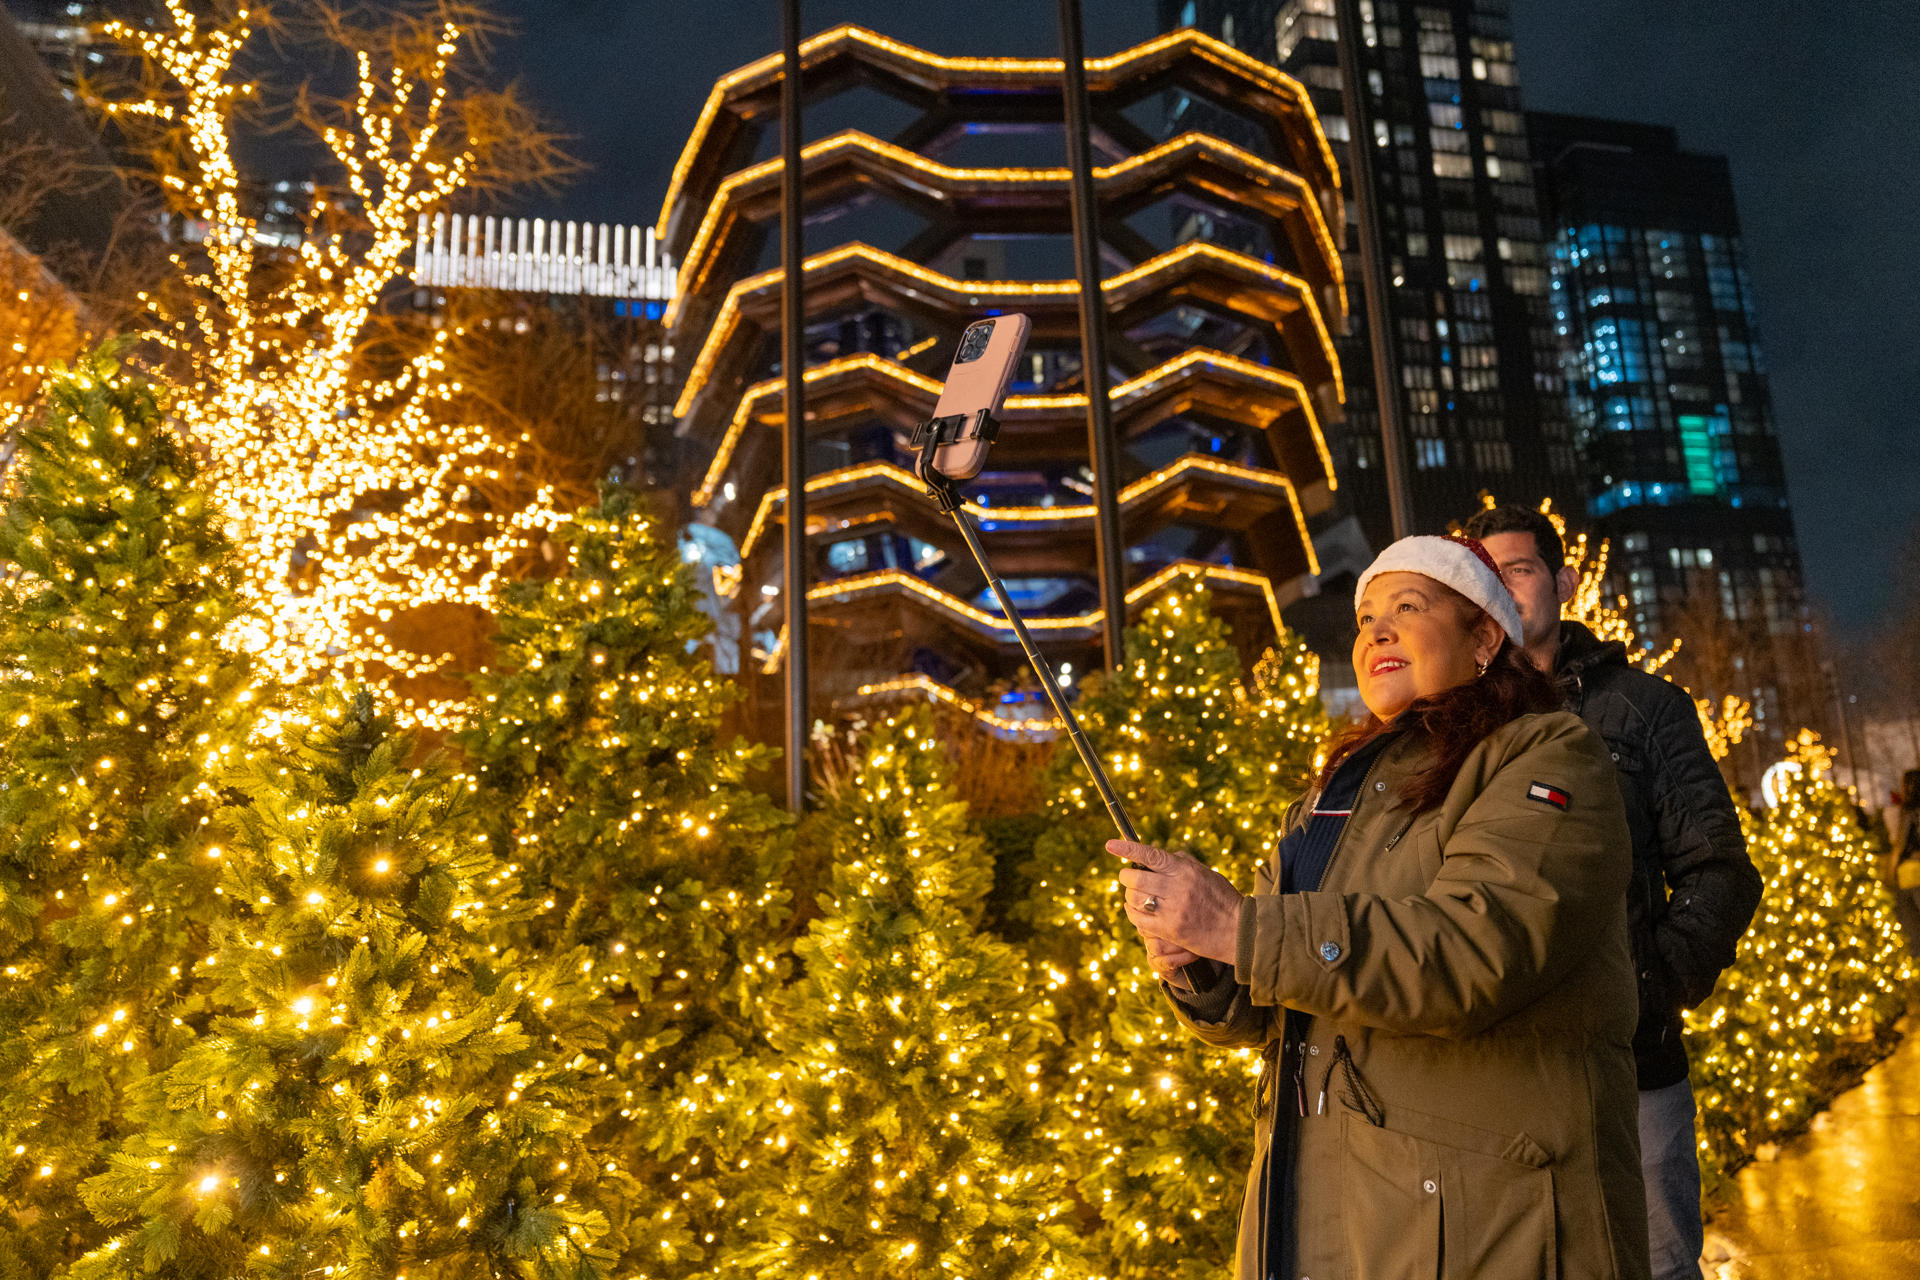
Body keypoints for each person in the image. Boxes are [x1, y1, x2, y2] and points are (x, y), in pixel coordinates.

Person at [1110, 534, 1650, 1280]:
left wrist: (1242, 928)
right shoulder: (1333, 794)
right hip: (1341, 1218)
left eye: (1408, 606)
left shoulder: (1546, 755)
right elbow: (1273, 1002)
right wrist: (1201, 962)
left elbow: (1473, 954)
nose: (1377, 631)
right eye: (1366, 617)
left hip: (1490, 1226)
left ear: (1485, 635)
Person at [1464, 502, 1762, 1280]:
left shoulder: (1644, 707)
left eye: (1520, 568)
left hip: (1632, 1072)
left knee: (1655, 1264)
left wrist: (1650, 989)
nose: (1504, 586)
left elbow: (1719, 869)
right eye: (1486, 574)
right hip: (1498, 1083)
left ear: (1562, 582)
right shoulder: (1454, 728)